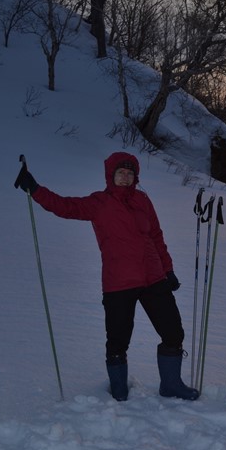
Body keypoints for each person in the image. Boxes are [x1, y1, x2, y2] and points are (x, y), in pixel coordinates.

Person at [14, 152, 199, 402]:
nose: (125, 177)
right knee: (117, 340)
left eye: (129, 173)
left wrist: (168, 270)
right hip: (119, 281)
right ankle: (119, 390)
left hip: (154, 278)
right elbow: (64, 206)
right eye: (120, 173)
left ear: (135, 176)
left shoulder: (143, 200)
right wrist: (35, 190)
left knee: (173, 332)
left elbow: (156, 236)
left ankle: (171, 385)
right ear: (110, 175)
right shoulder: (99, 203)